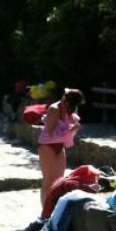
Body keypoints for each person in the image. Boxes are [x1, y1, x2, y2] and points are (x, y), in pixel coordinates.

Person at [37, 88, 85, 216]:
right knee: (48, 179)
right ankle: (45, 213)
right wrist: (72, 130)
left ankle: (53, 210)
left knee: (59, 180)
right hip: (47, 145)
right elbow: (50, 132)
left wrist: (74, 128)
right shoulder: (54, 109)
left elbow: (66, 131)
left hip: (60, 146)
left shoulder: (72, 109)